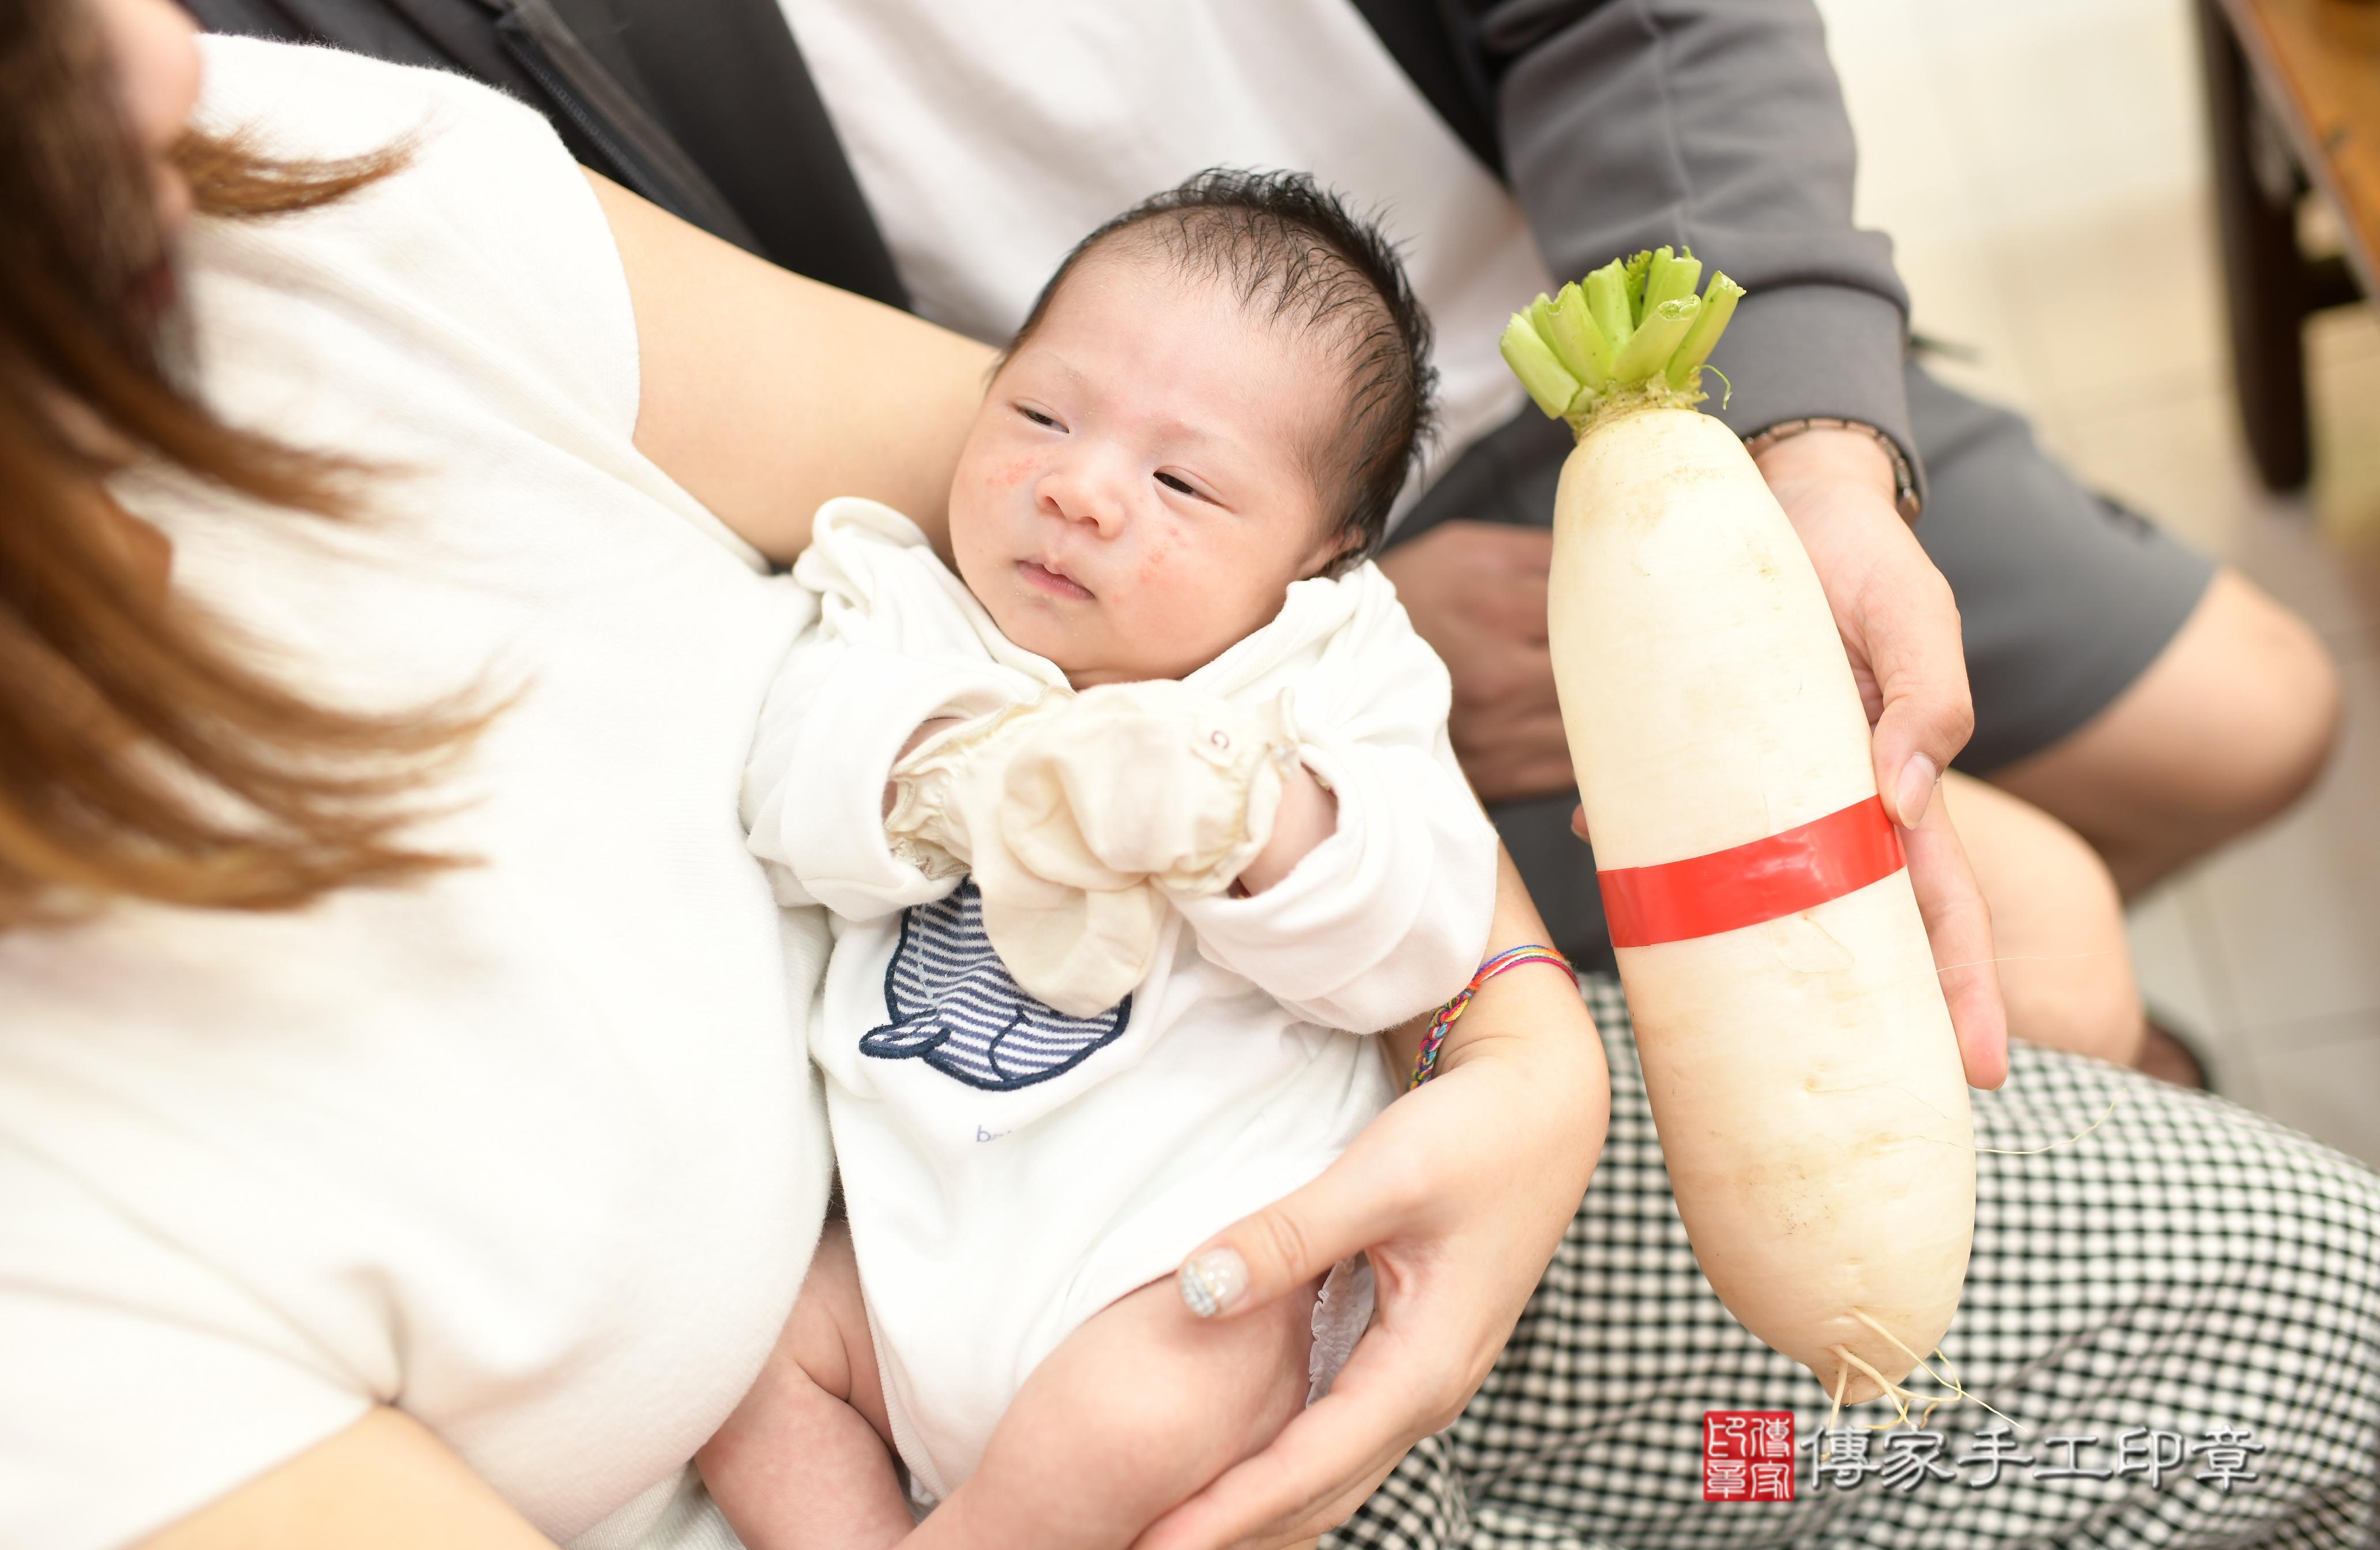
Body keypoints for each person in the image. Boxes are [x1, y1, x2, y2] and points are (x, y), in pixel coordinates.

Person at [5, 9, 2375, 1550]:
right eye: (1045, 431)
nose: (1068, 495)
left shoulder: (288, 183)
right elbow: (865, 717)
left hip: (1322, 1194)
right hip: (967, 1412)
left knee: (2265, 1319)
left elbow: (1251, 694)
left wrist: (1505, 1025)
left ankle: (1827, 1469)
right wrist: (983, 769)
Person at [174, 0, 2342, 1083]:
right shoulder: (276, 66)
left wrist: (1791, 450)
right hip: (1132, 582)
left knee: (2251, 721)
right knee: (2035, 957)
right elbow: (563, 394)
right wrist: (1287, 622)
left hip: (1608, 362)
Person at [714, 172, 1501, 1550]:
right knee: (730, 1360)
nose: (1077, 487)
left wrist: (1244, 815)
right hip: (893, 1278)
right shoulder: (900, 599)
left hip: (1169, 1285)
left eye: (1182, 481)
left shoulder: (1336, 673)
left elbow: (1421, 939)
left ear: (1320, 555)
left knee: (1144, 1408)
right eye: (1040, 416)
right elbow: (790, 789)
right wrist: (953, 772)